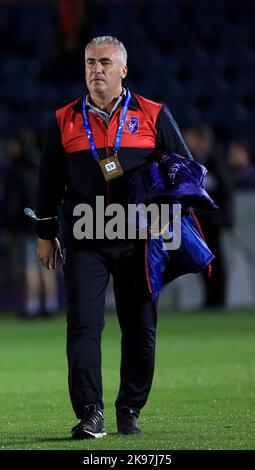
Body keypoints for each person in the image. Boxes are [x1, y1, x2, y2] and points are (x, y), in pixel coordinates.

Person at [36, 36, 193, 439]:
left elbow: (186, 174)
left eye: (105, 63)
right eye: (90, 62)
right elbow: (49, 181)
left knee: (140, 328)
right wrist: (45, 232)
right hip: (85, 234)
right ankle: (91, 412)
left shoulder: (153, 114)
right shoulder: (64, 119)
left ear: (123, 69)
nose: (96, 70)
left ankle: (129, 409)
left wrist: (169, 215)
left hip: (138, 237)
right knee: (83, 326)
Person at [182, 124, 233, 308]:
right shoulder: (193, 159)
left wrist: (225, 219)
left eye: (192, 138)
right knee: (203, 260)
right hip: (200, 222)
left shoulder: (215, 159)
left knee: (216, 259)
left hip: (214, 221)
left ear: (202, 140)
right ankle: (210, 298)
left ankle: (219, 299)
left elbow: (225, 189)